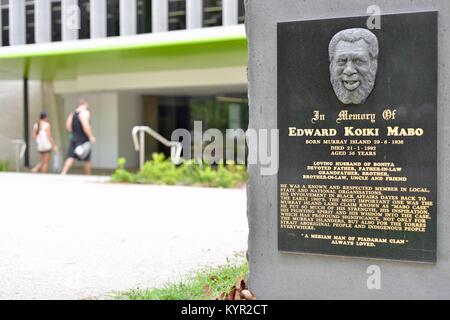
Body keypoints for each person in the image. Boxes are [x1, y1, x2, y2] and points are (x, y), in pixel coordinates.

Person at [61, 98, 96, 175]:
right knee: (87, 159)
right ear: (85, 104)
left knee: (71, 156)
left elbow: (68, 126)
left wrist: (74, 133)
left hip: (74, 138)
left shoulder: (73, 114)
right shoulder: (85, 113)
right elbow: (86, 125)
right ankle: (88, 175)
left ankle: (63, 173)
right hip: (83, 139)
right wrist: (91, 136)